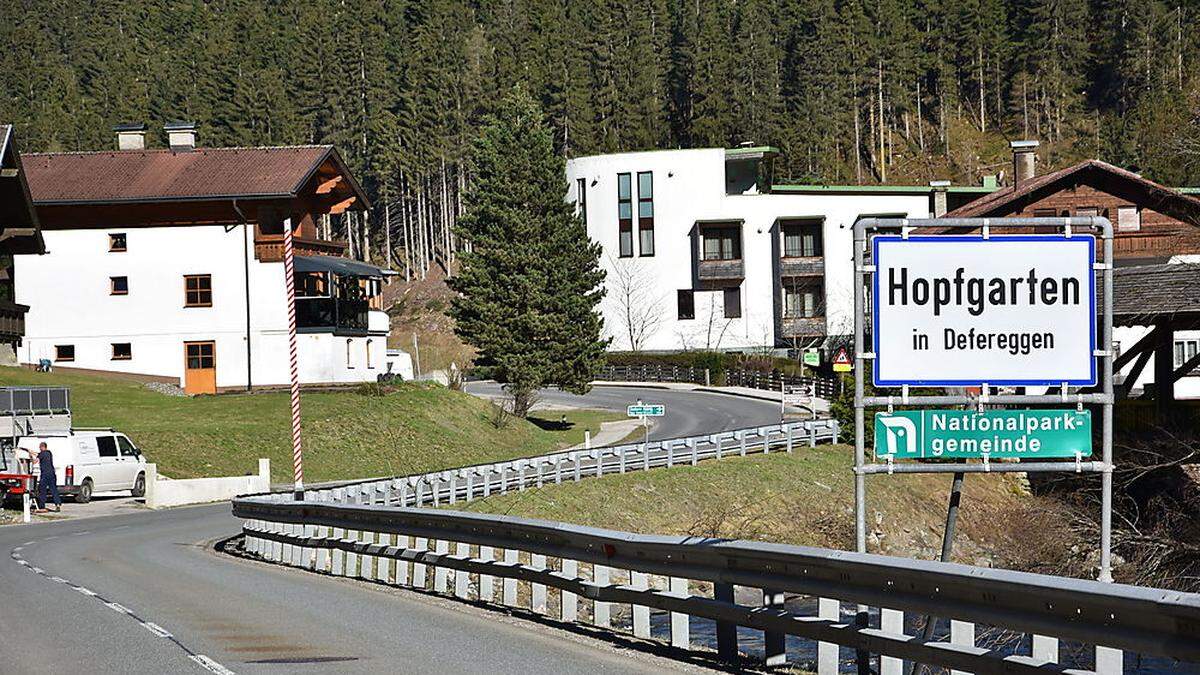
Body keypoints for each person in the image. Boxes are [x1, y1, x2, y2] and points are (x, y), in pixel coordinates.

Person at [34, 442, 61, 513]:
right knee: (54, 489)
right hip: (52, 474)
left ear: (42, 447)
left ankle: (42, 506)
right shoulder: (49, 453)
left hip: (45, 475)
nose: (39, 449)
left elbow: (35, 461)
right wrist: (35, 454)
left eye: (40, 447)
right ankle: (57, 504)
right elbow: (39, 454)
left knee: (42, 490)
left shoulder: (42, 454)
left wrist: (32, 457)